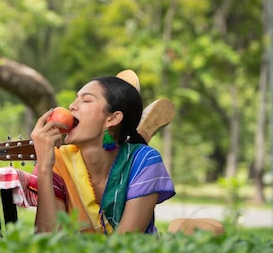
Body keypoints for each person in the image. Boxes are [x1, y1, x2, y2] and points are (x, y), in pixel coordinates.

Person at [29, 75, 175, 234]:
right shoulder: (57, 162)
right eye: (75, 99)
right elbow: (46, 240)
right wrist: (44, 166)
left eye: (86, 100)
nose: (71, 106)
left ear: (112, 118)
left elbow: (126, 245)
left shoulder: (144, 161)